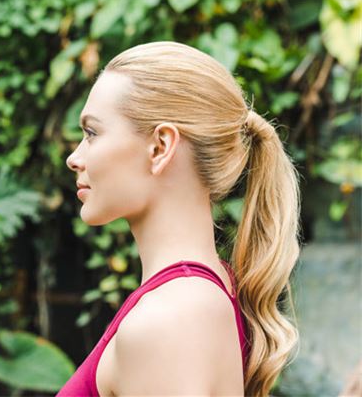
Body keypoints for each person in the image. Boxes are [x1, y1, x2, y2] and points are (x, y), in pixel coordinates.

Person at [62, 41, 302, 397]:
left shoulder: (169, 318)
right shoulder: (201, 295)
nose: (74, 158)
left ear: (160, 147)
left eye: (92, 133)